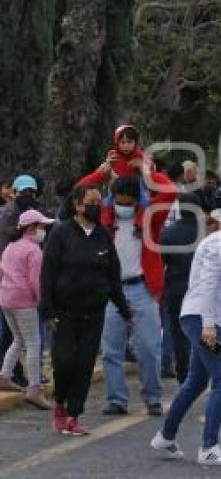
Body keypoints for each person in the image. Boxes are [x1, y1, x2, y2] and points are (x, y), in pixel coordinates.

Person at [151, 190, 221, 467]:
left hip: (204, 318)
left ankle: (166, 435)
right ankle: (208, 446)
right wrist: (209, 326)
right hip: (203, 319)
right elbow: (209, 284)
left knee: (197, 382)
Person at [40, 186, 133, 436]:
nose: (97, 206)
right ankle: (59, 402)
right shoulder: (60, 234)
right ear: (78, 206)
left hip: (94, 313)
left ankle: (73, 415)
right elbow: (47, 274)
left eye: (99, 202)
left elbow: (113, 276)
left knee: (84, 365)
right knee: (64, 361)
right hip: (64, 313)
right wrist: (47, 311)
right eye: (91, 202)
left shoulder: (104, 236)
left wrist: (125, 311)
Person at [100, 167, 177, 417]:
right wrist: (101, 174)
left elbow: (170, 191)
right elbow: (78, 191)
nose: (123, 205)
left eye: (128, 201)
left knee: (149, 349)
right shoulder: (104, 219)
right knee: (111, 351)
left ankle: (153, 398)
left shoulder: (149, 218)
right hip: (112, 293)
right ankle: (116, 400)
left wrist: (147, 171)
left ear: (138, 199)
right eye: (118, 200)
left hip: (143, 288)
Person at [0, 209, 55, 409]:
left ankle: (4, 376)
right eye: (41, 227)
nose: (43, 230)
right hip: (25, 302)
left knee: (18, 339)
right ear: (32, 228)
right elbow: (36, 282)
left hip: (6, 299)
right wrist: (43, 304)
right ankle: (34, 388)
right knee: (33, 343)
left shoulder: (10, 246)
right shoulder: (34, 250)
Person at [160, 192, 203, 383]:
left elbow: (163, 261)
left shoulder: (168, 233)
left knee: (178, 331)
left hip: (176, 286)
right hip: (201, 288)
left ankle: (183, 371)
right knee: (203, 329)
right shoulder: (207, 233)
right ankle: (201, 369)